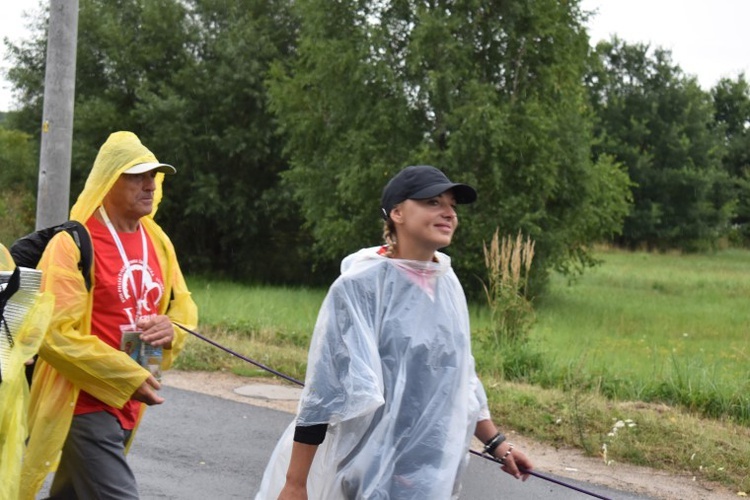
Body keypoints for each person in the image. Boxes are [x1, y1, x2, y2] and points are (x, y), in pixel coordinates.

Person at [255, 165, 534, 499]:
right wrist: (296, 483)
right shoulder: (359, 287)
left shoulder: (447, 283)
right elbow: (325, 390)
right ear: (397, 213)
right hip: (365, 464)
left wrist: (497, 444)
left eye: (452, 206)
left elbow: (461, 377)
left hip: (430, 470)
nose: (448, 213)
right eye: (433, 202)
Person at [20, 131, 198, 500]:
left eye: (154, 175)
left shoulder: (158, 241)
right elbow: (53, 333)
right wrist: (124, 375)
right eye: (137, 175)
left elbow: (181, 308)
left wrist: (172, 328)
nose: (150, 184)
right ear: (108, 180)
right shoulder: (71, 244)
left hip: (129, 399)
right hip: (81, 404)